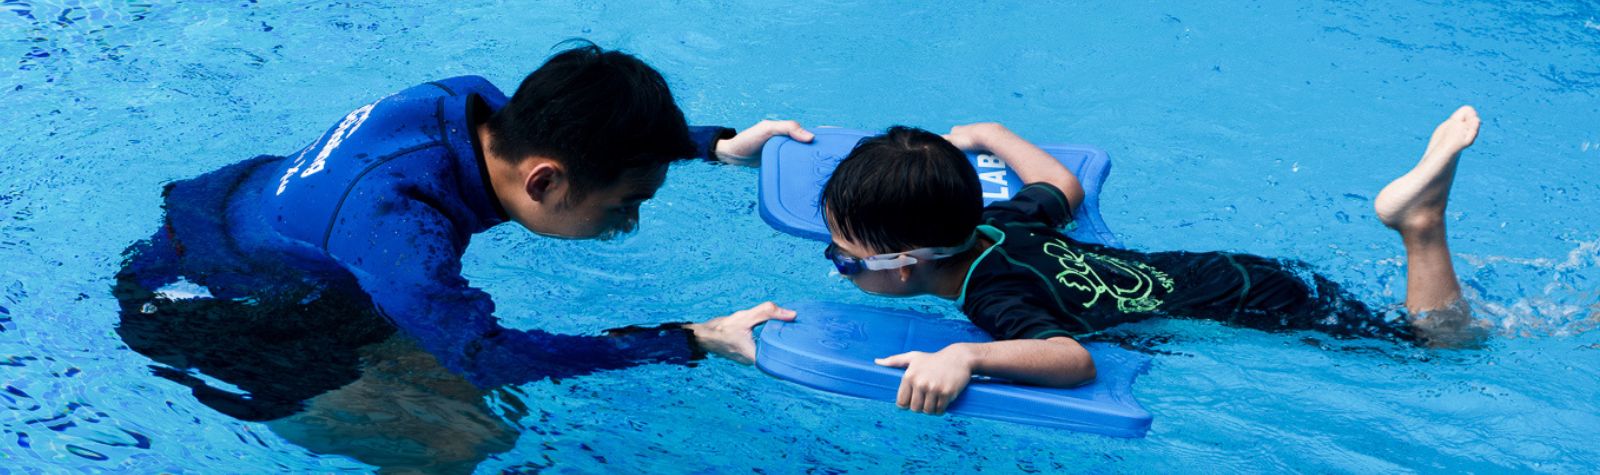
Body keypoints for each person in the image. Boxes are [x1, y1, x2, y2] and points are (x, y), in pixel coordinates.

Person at [112, 42, 806, 472]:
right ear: (544, 181)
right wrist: (688, 339)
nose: (631, 221)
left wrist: (713, 144)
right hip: (207, 312)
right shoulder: (405, 234)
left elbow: (580, 126)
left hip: (248, 226)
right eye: (626, 203)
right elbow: (491, 355)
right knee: (464, 433)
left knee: (463, 398)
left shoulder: (468, 105)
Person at [816, 107, 1490, 416]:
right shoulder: (997, 224)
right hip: (1234, 271)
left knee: (1435, 349)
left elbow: (1070, 358)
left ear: (905, 265)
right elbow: (1062, 187)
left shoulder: (991, 297)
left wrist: (966, 356)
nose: (835, 265)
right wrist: (991, 132)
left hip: (1248, 309)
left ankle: (1421, 226)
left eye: (843, 259)